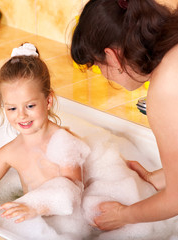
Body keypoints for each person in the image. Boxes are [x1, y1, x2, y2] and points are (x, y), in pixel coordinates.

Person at [71, 0, 178, 231]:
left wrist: (124, 215)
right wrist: (154, 178)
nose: (105, 75)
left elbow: (176, 200)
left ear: (112, 56)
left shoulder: (165, 89)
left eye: (99, 66)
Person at [0, 43, 90, 223]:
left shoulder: (65, 144)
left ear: (48, 101)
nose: (21, 115)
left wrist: (35, 206)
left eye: (30, 106)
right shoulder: (9, 152)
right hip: (36, 225)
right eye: (12, 108)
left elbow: (74, 195)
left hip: (69, 224)